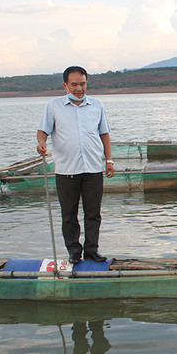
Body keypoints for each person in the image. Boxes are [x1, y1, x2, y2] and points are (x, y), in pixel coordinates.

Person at [37, 66, 115, 265]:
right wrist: (42, 144)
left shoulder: (97, 106)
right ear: (65, 85)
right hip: (66, 171)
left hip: (93, 169)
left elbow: (104, 134)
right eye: (74, 84)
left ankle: (92, 251)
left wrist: (109, 160)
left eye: (83, 84)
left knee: (93, 213)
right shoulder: (54, 106)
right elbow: (43, 131)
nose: (79, 88)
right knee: (69, 214)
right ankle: (73, 251)